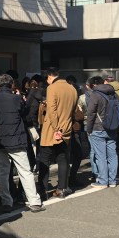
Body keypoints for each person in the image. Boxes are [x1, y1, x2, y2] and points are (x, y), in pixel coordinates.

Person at [0, 74, 46, 214]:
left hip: (0, 141)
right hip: (17, 140)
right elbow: (26, 115)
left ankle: (6, 202)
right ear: (12, 86)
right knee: (25, 171)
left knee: (3, 172)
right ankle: (34, 202)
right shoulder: (17, 99)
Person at [39, 67, 78, 198]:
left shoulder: (52, 88)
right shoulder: (72, 88)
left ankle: (43, 191)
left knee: (45, 159)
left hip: (52, 129)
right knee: (63, 159)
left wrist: (56, 128)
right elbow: (73, 110)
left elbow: (52, 110)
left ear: (49, 76)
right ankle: (62, 188)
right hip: (66, 127)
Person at [84, 75, 119, 188]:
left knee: (101, 156)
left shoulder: (95, 95)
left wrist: (88, 129)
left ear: (94, 84)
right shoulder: (114, 93)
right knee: (112, 155)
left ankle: (103, 181)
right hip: (112, 128)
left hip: (98, 128)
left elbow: (91, 113)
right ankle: (112, 180)